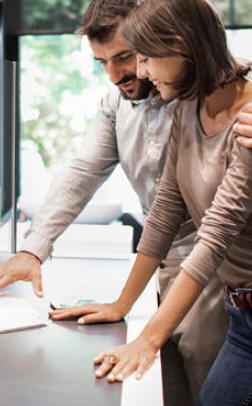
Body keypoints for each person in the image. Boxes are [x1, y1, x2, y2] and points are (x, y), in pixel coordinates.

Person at [0, 0, 247, 403]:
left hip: (220, 275)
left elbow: (217, 233)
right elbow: (86, 174)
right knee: (170, 389)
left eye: (129, 57)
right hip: (161, 262)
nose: (117, 75)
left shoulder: (219, 97)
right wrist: (34, 249)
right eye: (101, 62)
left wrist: (145, 331)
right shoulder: (149, 104)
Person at [88, 1, 252, 405]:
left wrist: (147, 340)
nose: (140, 72)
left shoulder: (248, 121)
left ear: (182, 47)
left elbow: (214, 235)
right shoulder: (186, 106)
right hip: (241, 314)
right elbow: (166, 210)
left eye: (144, 58)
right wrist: (121, 305)